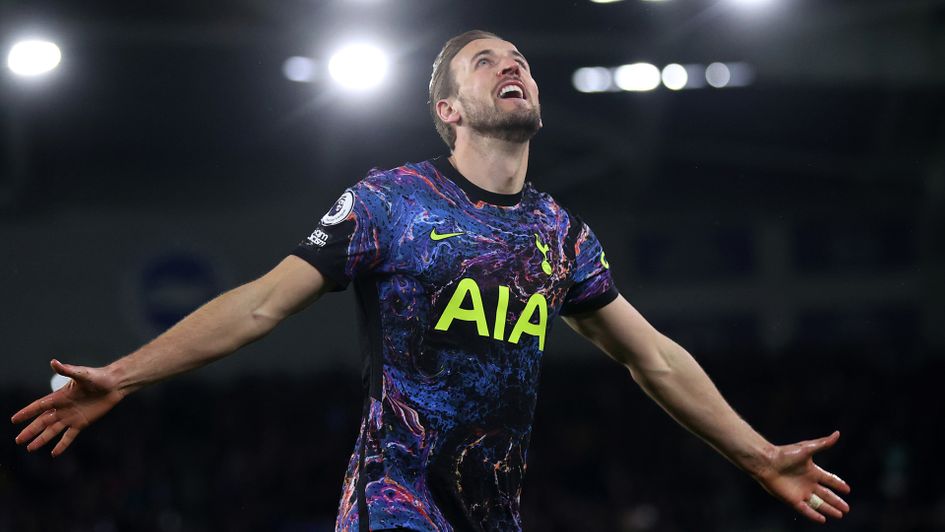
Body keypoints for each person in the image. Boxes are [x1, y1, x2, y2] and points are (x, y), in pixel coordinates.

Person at [11, 30, 850, 531]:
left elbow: (653, 359)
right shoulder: (389, 202)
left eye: (517, 58)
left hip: (492, 513)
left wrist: (757, 456)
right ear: (447, 109)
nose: (510, 64)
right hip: (392, 501)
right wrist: (119, 375)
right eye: (484, 62)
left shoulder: (560, 235)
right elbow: (262, 304)